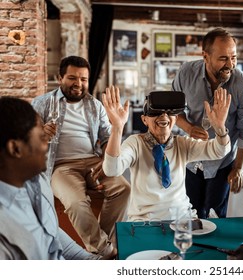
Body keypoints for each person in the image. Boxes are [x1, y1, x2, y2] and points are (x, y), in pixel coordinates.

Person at [31, 56, 131, 258]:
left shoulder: (95, 105)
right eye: (72, 78)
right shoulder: (41, 104)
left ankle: (101, 246)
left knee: (123, 188)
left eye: (83, 79)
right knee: (76, 201)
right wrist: (41, 134)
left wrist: (105, 161)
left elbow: (105, 139)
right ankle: (105, 250)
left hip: (93, 162)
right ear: (60, 78)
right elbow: (25, 140)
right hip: (61, 167)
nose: (78, 84)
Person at [102, 86, 231, 220]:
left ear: (175, 119)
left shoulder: (182, 144)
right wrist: (117, 127)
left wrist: (220, 128)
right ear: (144, 119)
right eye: (155, 112)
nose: (163, 116)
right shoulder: (135, 143)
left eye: (169, 112)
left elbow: (219, 151)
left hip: (183, 218)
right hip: (145, 222)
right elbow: (112, 170)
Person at [171, 27, 243, 218]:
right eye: (223, 58)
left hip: (223, 163)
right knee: (190, 214)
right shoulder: (186, 73)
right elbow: (174, 110)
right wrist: (188, 127)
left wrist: (238, 168)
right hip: (191, 159)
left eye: (234, 57)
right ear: (205, 56)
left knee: (216, 216)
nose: (230, 64)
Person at [0, 96, 101, 260]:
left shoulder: (39, 180)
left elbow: (50, 235)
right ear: (15, 148)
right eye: (41, 137)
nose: (47, 143)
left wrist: (92, 260)